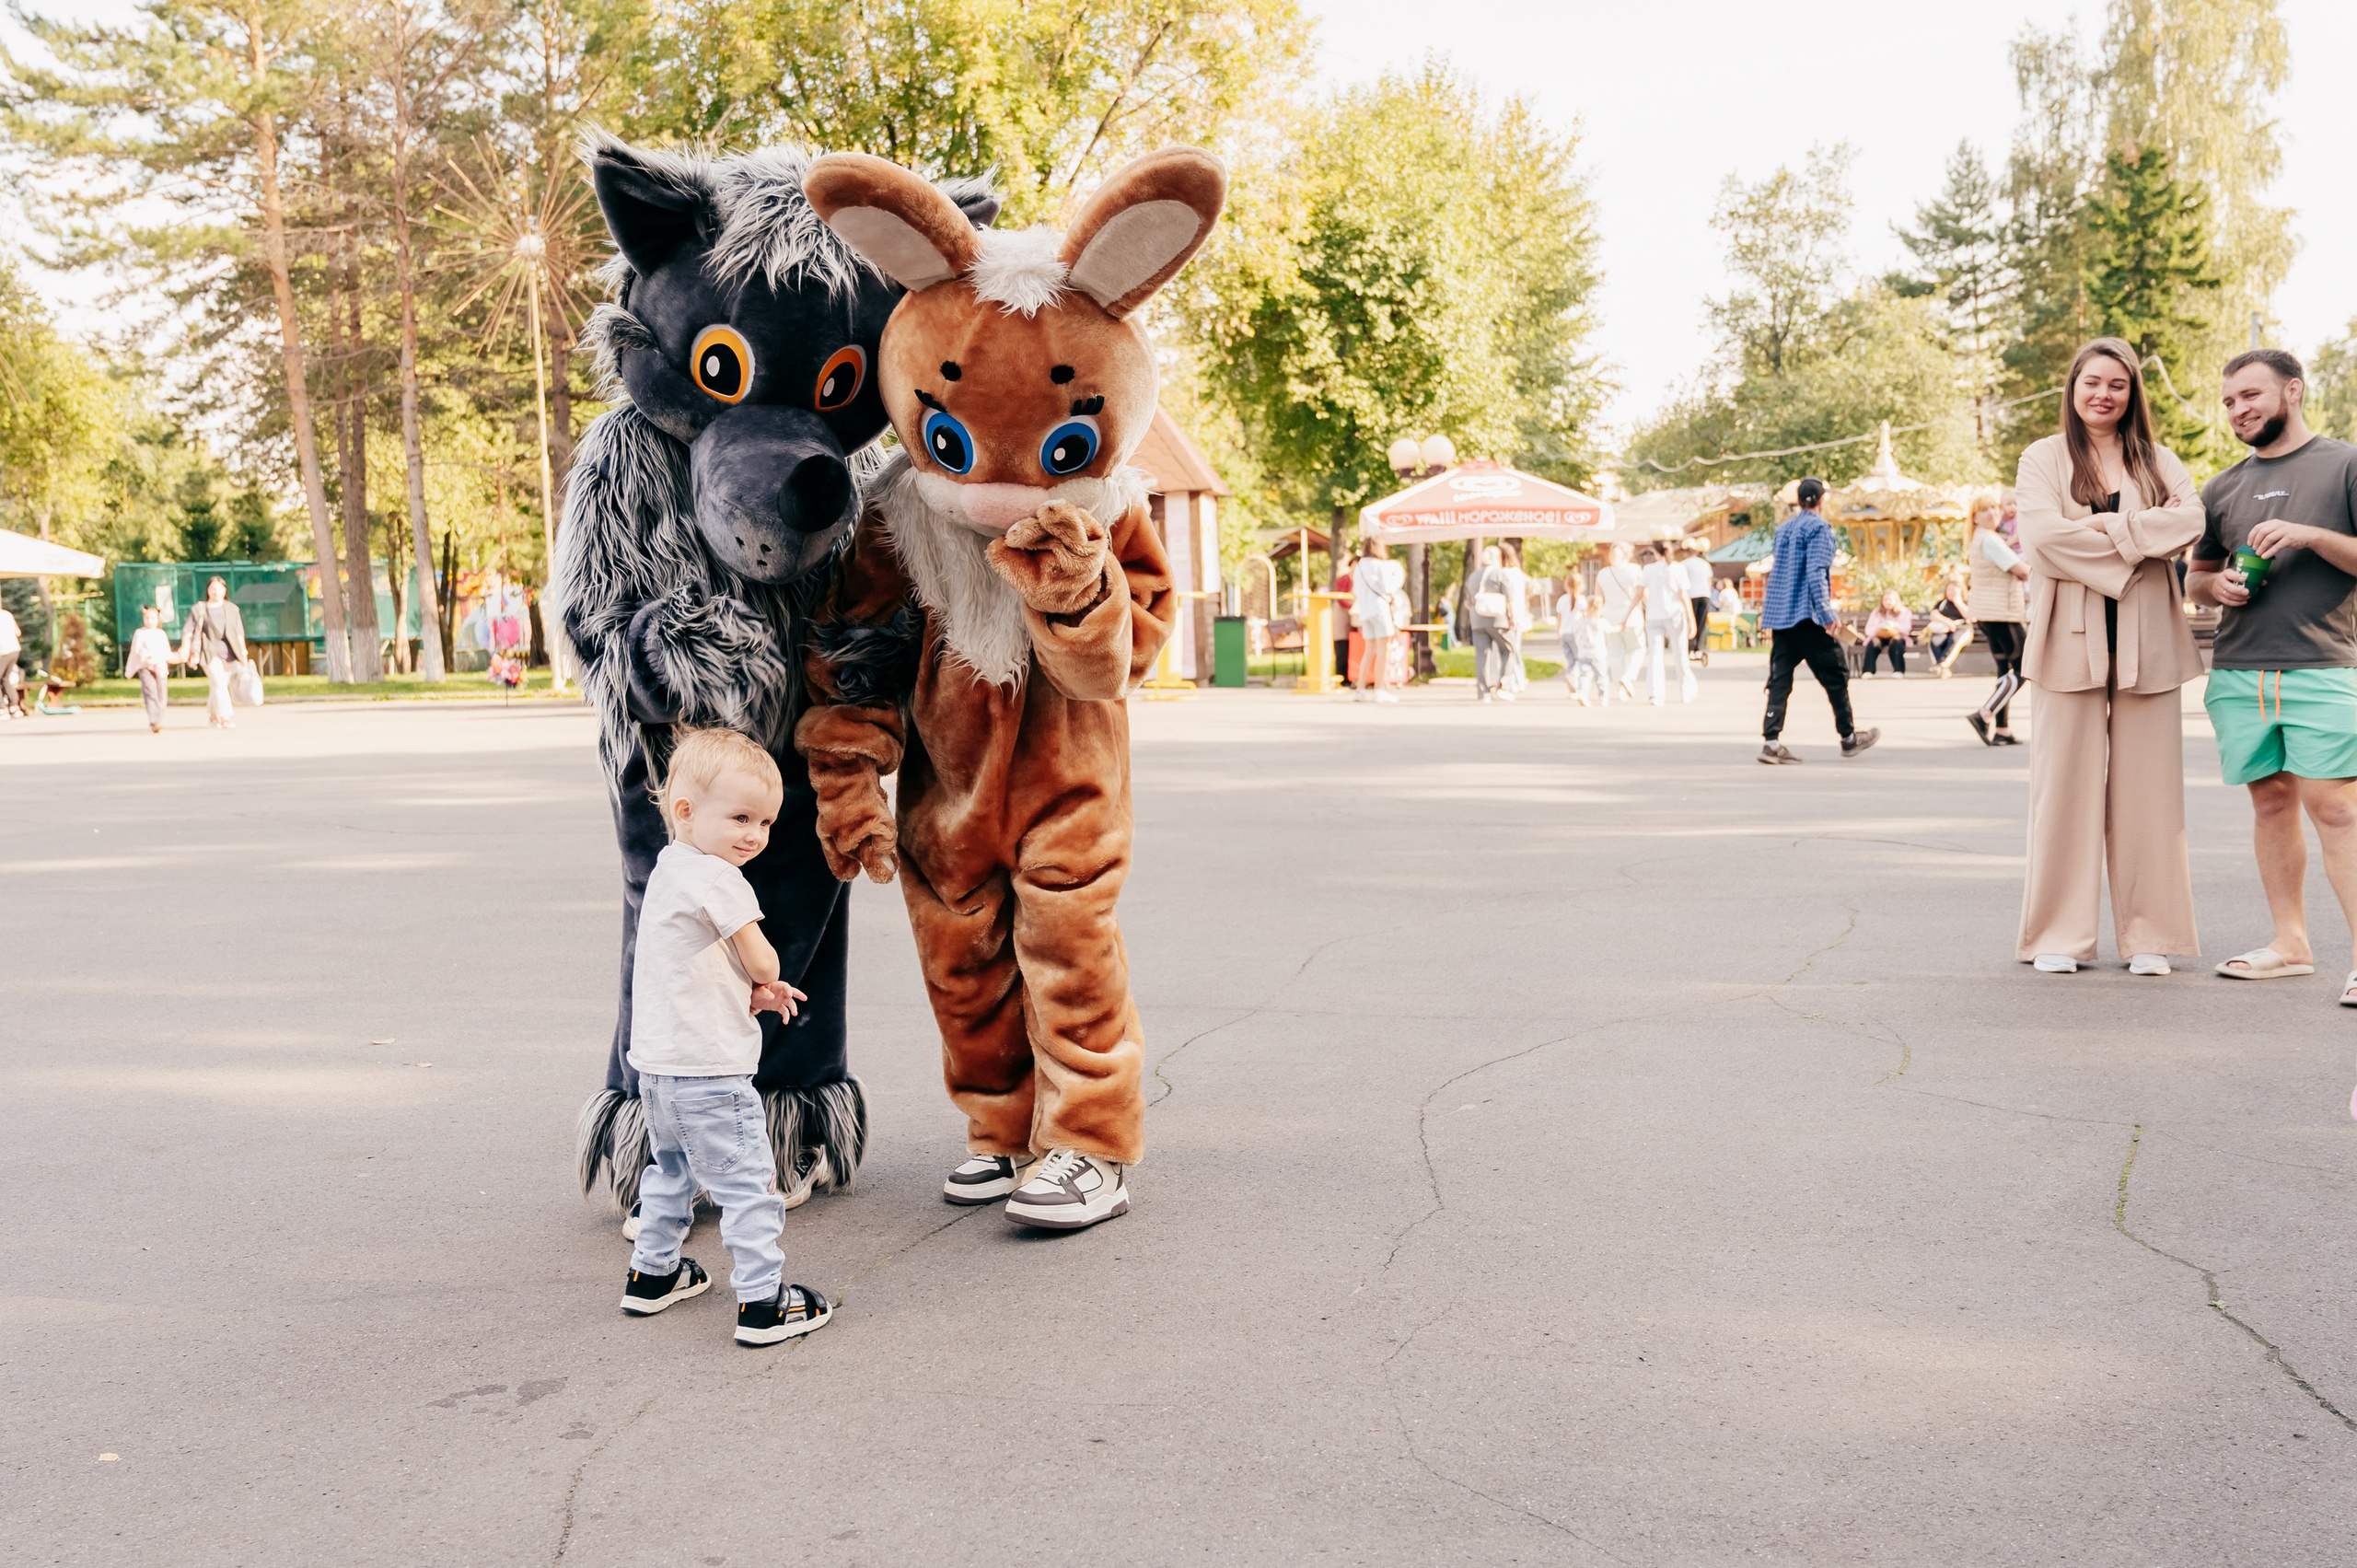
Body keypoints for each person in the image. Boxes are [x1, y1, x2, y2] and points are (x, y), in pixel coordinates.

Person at [619, 726, 835, 1347]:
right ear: (685, 811)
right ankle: (764, 1301)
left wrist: (750, 995)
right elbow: (763, 960)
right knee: (747, 1185)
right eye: (740, 817)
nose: (755, 835)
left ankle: (652, 1273)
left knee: (670, 1173)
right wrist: (767, 978)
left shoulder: (669, 870)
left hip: (659, 1072)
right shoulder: (720, 879)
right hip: (712, 1076)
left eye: (765, 822)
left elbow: (695, 968)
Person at [2014, 337, 2204, 976]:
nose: (2104, 394)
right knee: (2063, 789)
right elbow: (2042, 537)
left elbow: (2193, 520)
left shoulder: (2156, 458)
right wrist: (2140, 540)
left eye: (2117, 385)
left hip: (2148, 640)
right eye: (2092, 382)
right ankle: (2057, 936)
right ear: (2073, 388)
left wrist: (2101, 529)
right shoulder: (2042, 458)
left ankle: (2151, 933)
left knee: (2151, 793)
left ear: (2132, 394)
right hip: (2067, 639)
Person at [2186, 348, 2357, 1000]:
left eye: (2251, 396)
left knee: (2337, 808)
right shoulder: (2222, 486)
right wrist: (2216, 587)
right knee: (2271, 802)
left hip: (2326, 664)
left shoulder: (2345, 464)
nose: (2238, 410)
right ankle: (2290, 943)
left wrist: (2310, 535)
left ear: (2294, 390)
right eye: (2229, 401)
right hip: (2240, 670)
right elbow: (2196, 576)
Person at [1759, 478, 1878, 763]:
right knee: (1835, 674)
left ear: (1800, 500)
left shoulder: (1783, 529)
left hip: (1781, 615)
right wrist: (1827, 615)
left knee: (1780, 678)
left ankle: (1772, 741)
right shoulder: (1820, 529)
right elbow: (1815, 573)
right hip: (1807, 615)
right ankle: (1848, 737)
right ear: (1821, 500)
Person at [1968, 492, 2030, 743]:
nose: (1993, 513)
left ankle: (2002, 730)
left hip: (1988, 613)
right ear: (1974, 517)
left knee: (2005, 670)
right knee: (2026, 668)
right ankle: (1985, 714)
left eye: (1995, 508)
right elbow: (2021, 571)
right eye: (1985, 510)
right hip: (2002, 614)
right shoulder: (1990, 540)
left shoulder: (1979, 538)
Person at [181, 576, 250, 729]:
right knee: (219, 683)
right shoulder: (199, 609)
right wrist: (185, 647)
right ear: (207, 590)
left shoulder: (232, 609)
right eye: (212, 588)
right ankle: (225, 717)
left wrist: (243, 650)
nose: (216, 592)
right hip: (209, 653)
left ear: (225, 591)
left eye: (219, 588)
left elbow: (239, 632)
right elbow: (188, 630)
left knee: (219, 685)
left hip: (230, 653)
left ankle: (213, 716)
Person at [1638, 544, 1697, 704]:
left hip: (1653, 616)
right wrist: (1692, 619)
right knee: (1680, 654)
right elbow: (1683, 596)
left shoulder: (1648, 569)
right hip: (1675, 615)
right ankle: (1686, 691)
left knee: (1655, 656)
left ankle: (1656, 694)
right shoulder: (1678, 568)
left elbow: (1640, 593)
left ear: (1656, 552)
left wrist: (1630, 613)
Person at [1352, 540, 1407, 704]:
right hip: (1380, 610)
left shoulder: (1359, 566)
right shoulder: (1379, 565)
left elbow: (1356, 590)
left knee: (1368, 651)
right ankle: (1378, 689)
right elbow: (1389, 587)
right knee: (1382, 650)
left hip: (1365, 611)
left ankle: (1360, 689)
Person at [1465, 544, 1520, 703]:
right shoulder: (1500, 574)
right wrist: (1513, 617)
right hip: (1498, 619)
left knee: (1482, 655)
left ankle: (1484, 692)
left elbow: (1468, 601)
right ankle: (1503, 684)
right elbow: (1509, 598)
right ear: (1498, 558)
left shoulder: (1473, 576)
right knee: (1508, 649)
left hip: (1477, 620)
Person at [1595, 541, 1644, 699]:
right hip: (1632, 616)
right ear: (1627, 554)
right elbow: (1642, 593)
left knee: (1616, 655)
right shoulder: (1635, 570)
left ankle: (1620, 690)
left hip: (1609, 617)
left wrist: (1597, 618)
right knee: (1637, 649)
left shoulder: (1602, 573)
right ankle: (1628, 676)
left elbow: (1598, 599)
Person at [123, 604, 180, 733]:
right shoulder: (140, 633)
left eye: (153, 618)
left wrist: (180, 657)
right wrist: (130, 670)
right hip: (145, 667)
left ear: (158, 619)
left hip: (160, 667)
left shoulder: (161, 634)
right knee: (150, 692)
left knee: (161, 694)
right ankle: (155, 721)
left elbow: (167, 653)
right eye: (147, 618)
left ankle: (159, 717)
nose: (150, 621)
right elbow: (134, 652)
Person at [1558, 589, 1610, 706]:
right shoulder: (1600, 622)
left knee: (1584, 676)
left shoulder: (1582, 622)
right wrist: (1621, 627)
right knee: (1601, 676)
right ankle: (1603, 696)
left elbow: (1573, 630)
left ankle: (1583, 694)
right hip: (1598, 655)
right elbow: (1610, 630)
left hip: (1583, 654)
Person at [1922, 567, 1972, 678]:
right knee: (1935, 640)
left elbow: (1971, 618)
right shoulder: (1942, 603)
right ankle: (1940, 667)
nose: (1951, 593)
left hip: (1962, 629)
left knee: (1954, 640)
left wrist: (1958, 603)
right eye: (1949, 590)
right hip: (1944, 629)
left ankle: (1942, 666)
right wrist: (1948, 622)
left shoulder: (1966, 602)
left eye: (1954, 591)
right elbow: (1933, 614)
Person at [1861, 589, 1913, 677]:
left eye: (1890, 599)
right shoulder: (1876, 613)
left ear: (1896, 600)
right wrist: (1878, 629)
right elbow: (1868, 629)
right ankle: (1868, 671)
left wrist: (1894, 626)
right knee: (1874, 642)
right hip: (1879, 636)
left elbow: (1906, 628)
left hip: (1896, 636)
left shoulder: (1904, 612)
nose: (1888, 602)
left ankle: (1898, 671)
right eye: (1885, 600)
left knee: (1897, 642)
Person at [1682, 538, 1716, 664]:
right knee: (1701, 623)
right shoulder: (1705, 564)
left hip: (1690, 595)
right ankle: (1698, 648)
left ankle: (1690, 648)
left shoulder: (1683, 564)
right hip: (1704, 594)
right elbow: (1709, 582)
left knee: (1691, 623)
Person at [0, 601, 22, 719]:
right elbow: (18, 632)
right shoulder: (7, 614)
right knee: (5, 679)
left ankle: (2, 709)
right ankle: (14, 707)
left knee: (3, 679)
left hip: (4, 652)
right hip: (15, 650)